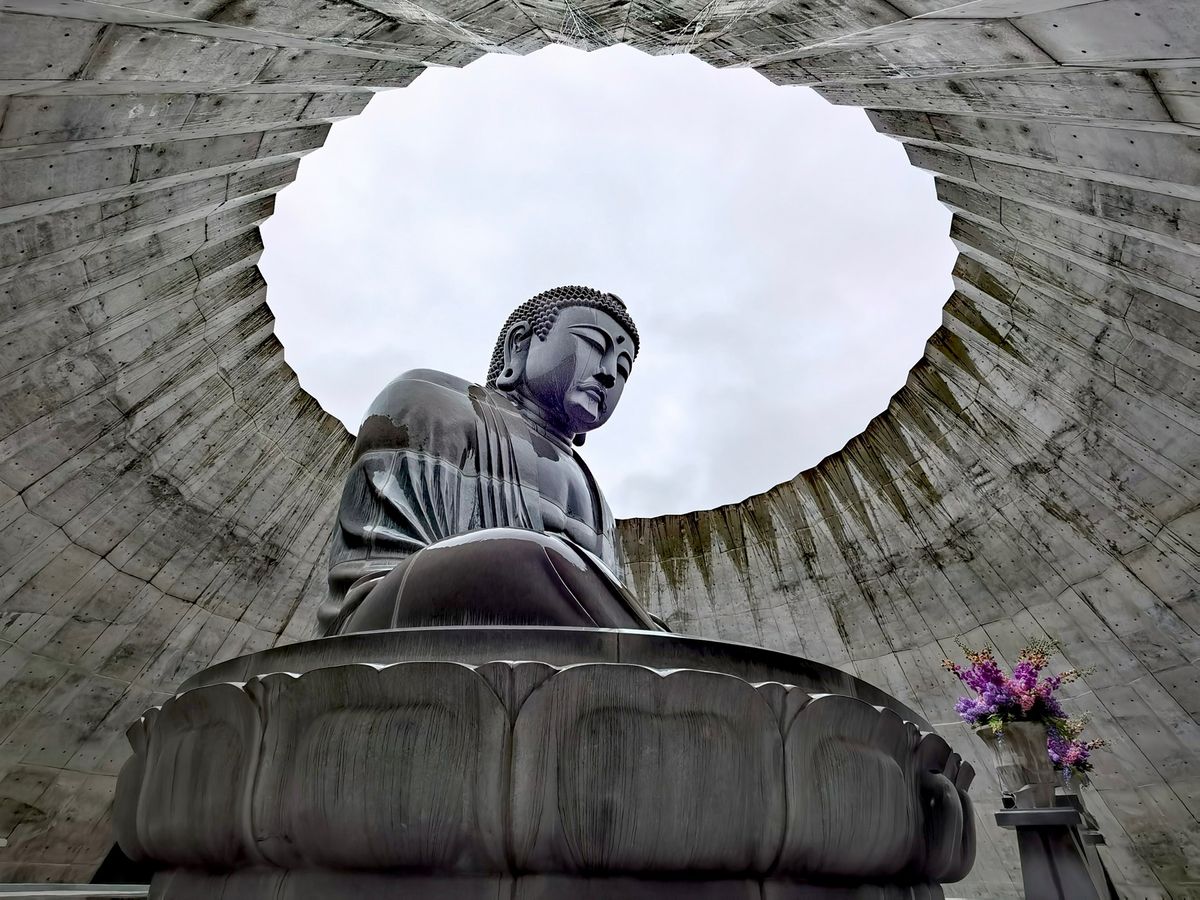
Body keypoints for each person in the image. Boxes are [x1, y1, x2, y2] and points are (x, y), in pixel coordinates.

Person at [318, 285, 664, 635]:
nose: (608, 373)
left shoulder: (598, 502)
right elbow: (380, 589)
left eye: (622, 369)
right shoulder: (432, 404)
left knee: (653, 632)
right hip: (399, 632)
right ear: (519, 345)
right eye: (593, 344)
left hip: (567, 659)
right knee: (533, 556)